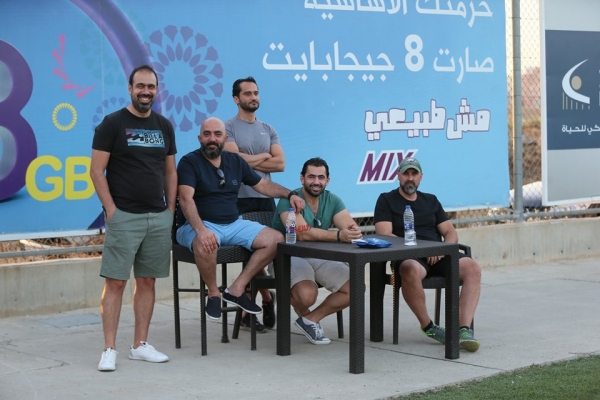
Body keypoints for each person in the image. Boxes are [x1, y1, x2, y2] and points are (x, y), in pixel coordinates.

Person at [176, 117, 305, 329]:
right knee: (205, 243)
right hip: (196, 225)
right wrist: (201, 230)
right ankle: (214, 293)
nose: (212, 139)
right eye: (207, 134)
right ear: (199, 138)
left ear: (225, 139)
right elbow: (185, 198)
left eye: (217, 134)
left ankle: (236, 289)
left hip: (233, 224)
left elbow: (262, 185)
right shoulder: (189, 162)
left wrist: (290, 194)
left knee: (275, 239)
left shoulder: (234, 161)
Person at [90, 65, 177, 372]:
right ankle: (109, 349)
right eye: (140, 86)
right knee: (115, 282)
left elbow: (170, 171)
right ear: (130, 89)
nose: (145, 91)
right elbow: (96, 171)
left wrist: (170, 210)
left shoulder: (164, 126)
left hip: (157, 217)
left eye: (151, 86)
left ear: (157, 90)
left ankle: (140, 345)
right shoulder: (112, 124)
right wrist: (111, 210)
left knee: (147, 281)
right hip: (124, 216)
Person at [374, 157, 481, 352]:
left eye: (414, 174)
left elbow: (450, 232)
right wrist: (423, 250)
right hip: (408, 255)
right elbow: (384, 234)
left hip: (438, 255)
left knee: (472, 268)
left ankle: (464, 330)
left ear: (421, 177)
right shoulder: (386, 200)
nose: (410, 178)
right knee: (409, 269)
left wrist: (441, 249)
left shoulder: (431, 200)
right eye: (406, 173)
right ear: (398, 176)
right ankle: (429, 327)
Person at [272, 157, 363, 344]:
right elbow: (302, 233)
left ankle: (310, 320)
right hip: (289, 257)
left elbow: (349, 227)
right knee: (307, 296)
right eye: (311, 177)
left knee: (356, 287)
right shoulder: (289, 199)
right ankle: (305, 313)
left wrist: (352, 231)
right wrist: (339, 236)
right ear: (302, 178)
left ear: (327, 180)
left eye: (321, 177)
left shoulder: (332, 199)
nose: (316, 182)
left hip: (320, 257)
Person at [224, 76, 284, 330]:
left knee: (266, 252)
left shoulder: (268, 129)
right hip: (239, 200)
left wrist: (247, 160)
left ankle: (257, 306)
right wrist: (264, 156)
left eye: (256, 93)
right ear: (236, 99)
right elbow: (233, 160)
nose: (253, 97)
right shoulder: (227, 128)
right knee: (249, 253)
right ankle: (262, 301)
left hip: (265, 199)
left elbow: (280, 164)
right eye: (247, 93)